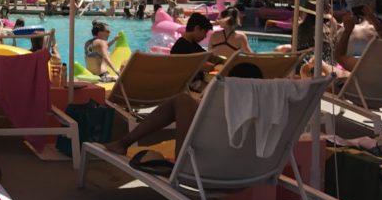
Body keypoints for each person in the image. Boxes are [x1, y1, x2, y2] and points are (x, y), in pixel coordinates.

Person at [103, 63, 265, 157]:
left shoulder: (221, 106)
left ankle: (179, 155)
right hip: (251, 169)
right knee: (182, 101)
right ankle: (124, 143)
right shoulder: (271, 112)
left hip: (205, 163)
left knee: (182, 100)